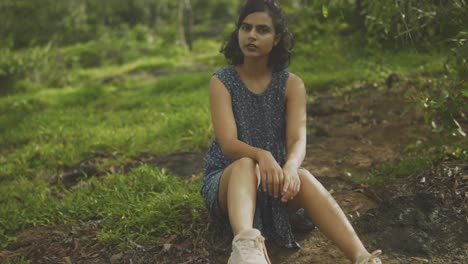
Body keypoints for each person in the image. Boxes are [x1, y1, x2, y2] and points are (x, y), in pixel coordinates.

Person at [200, 0, 382, 263]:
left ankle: (362, 256)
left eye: (262, 30)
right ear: (237, 31)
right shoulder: (222, 81)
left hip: (274, 184)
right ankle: (246, 249)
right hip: (230, 186)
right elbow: (228, 144)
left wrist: (290, 168)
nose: (251, 35)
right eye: (246, 27)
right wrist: (262, 156)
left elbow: (298, 139)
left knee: (304, 177)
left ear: (277, 39)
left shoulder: (291, 84)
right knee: (245, 164)